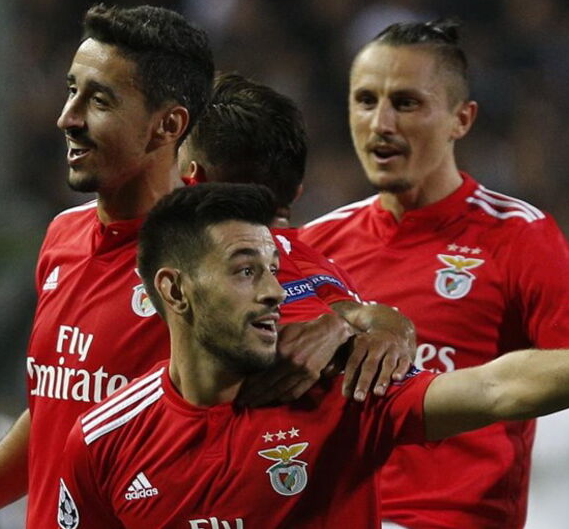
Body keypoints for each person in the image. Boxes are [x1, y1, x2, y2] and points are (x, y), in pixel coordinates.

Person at [0, 5, 410, 529]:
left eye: (99, 100)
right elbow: (54, 413)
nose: (68, 116)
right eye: (72, 90)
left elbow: (347, 315)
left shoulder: (219, 251)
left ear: (169, 125)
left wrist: (371, 321)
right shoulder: (62, 237)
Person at [57, 182, 569, 529]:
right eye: (246, 270)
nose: (274, 290)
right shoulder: (103, 440)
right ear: (174, 290)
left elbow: (495, 387)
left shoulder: (337, 395)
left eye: (275, 267)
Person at [298, 19, 569, 528]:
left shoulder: (519, 238)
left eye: (405, 103)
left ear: (460, 120)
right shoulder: (315, 245)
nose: (380, 122)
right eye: (365, 100)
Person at [178, 72, 415, 407]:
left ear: (191, 178)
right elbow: (349, 313)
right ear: (295, 193)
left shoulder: (175, 254)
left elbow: (345, 315)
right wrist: (384, 324)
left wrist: (374, 325)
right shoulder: (312, 265)